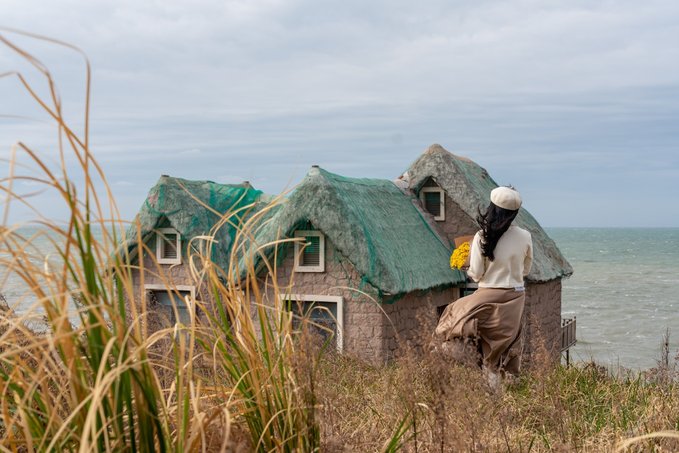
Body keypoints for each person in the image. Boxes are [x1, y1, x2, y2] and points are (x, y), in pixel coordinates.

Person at [434, 186, 533, 380]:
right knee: (502, 345)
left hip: (487, 294)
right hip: (515, 297)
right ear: (514, 213)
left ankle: (455, 354)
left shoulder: (482, 236)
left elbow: (477, 274)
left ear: (492, 208)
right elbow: (526, 270)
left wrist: (467, 266)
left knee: (452, 314)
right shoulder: (525, 236)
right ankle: (498, 377)